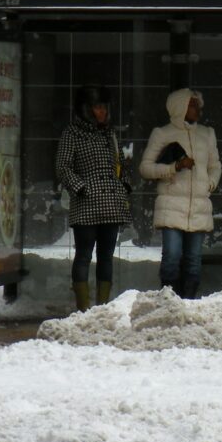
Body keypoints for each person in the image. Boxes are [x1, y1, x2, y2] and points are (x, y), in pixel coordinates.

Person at [139, 88, 222, 299]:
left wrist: (209, 184)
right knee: (172, 257)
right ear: (180, 107)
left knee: (194, 259)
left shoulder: (207, 133)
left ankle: (189, 303)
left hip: (198, 206)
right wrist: (174, 167)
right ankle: (169, 301)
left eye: (197, 105)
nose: (198, 109)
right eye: (192, 105)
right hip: (171, 205)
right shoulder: (163, 133)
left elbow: (215, 165)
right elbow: (145, 168)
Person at [55, 85, 131, 311]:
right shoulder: (72, 133)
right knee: (84, 255)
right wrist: (80, 188)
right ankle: (83, 308)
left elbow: (119, 163)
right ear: (86, 109)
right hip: (86, 204)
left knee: (106, 257)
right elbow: (62, 166)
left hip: (111, 205)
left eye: (104, 107)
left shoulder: (110, 133)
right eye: (98, 107)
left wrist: (124, 183)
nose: (103, 112)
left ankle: (102, 307)